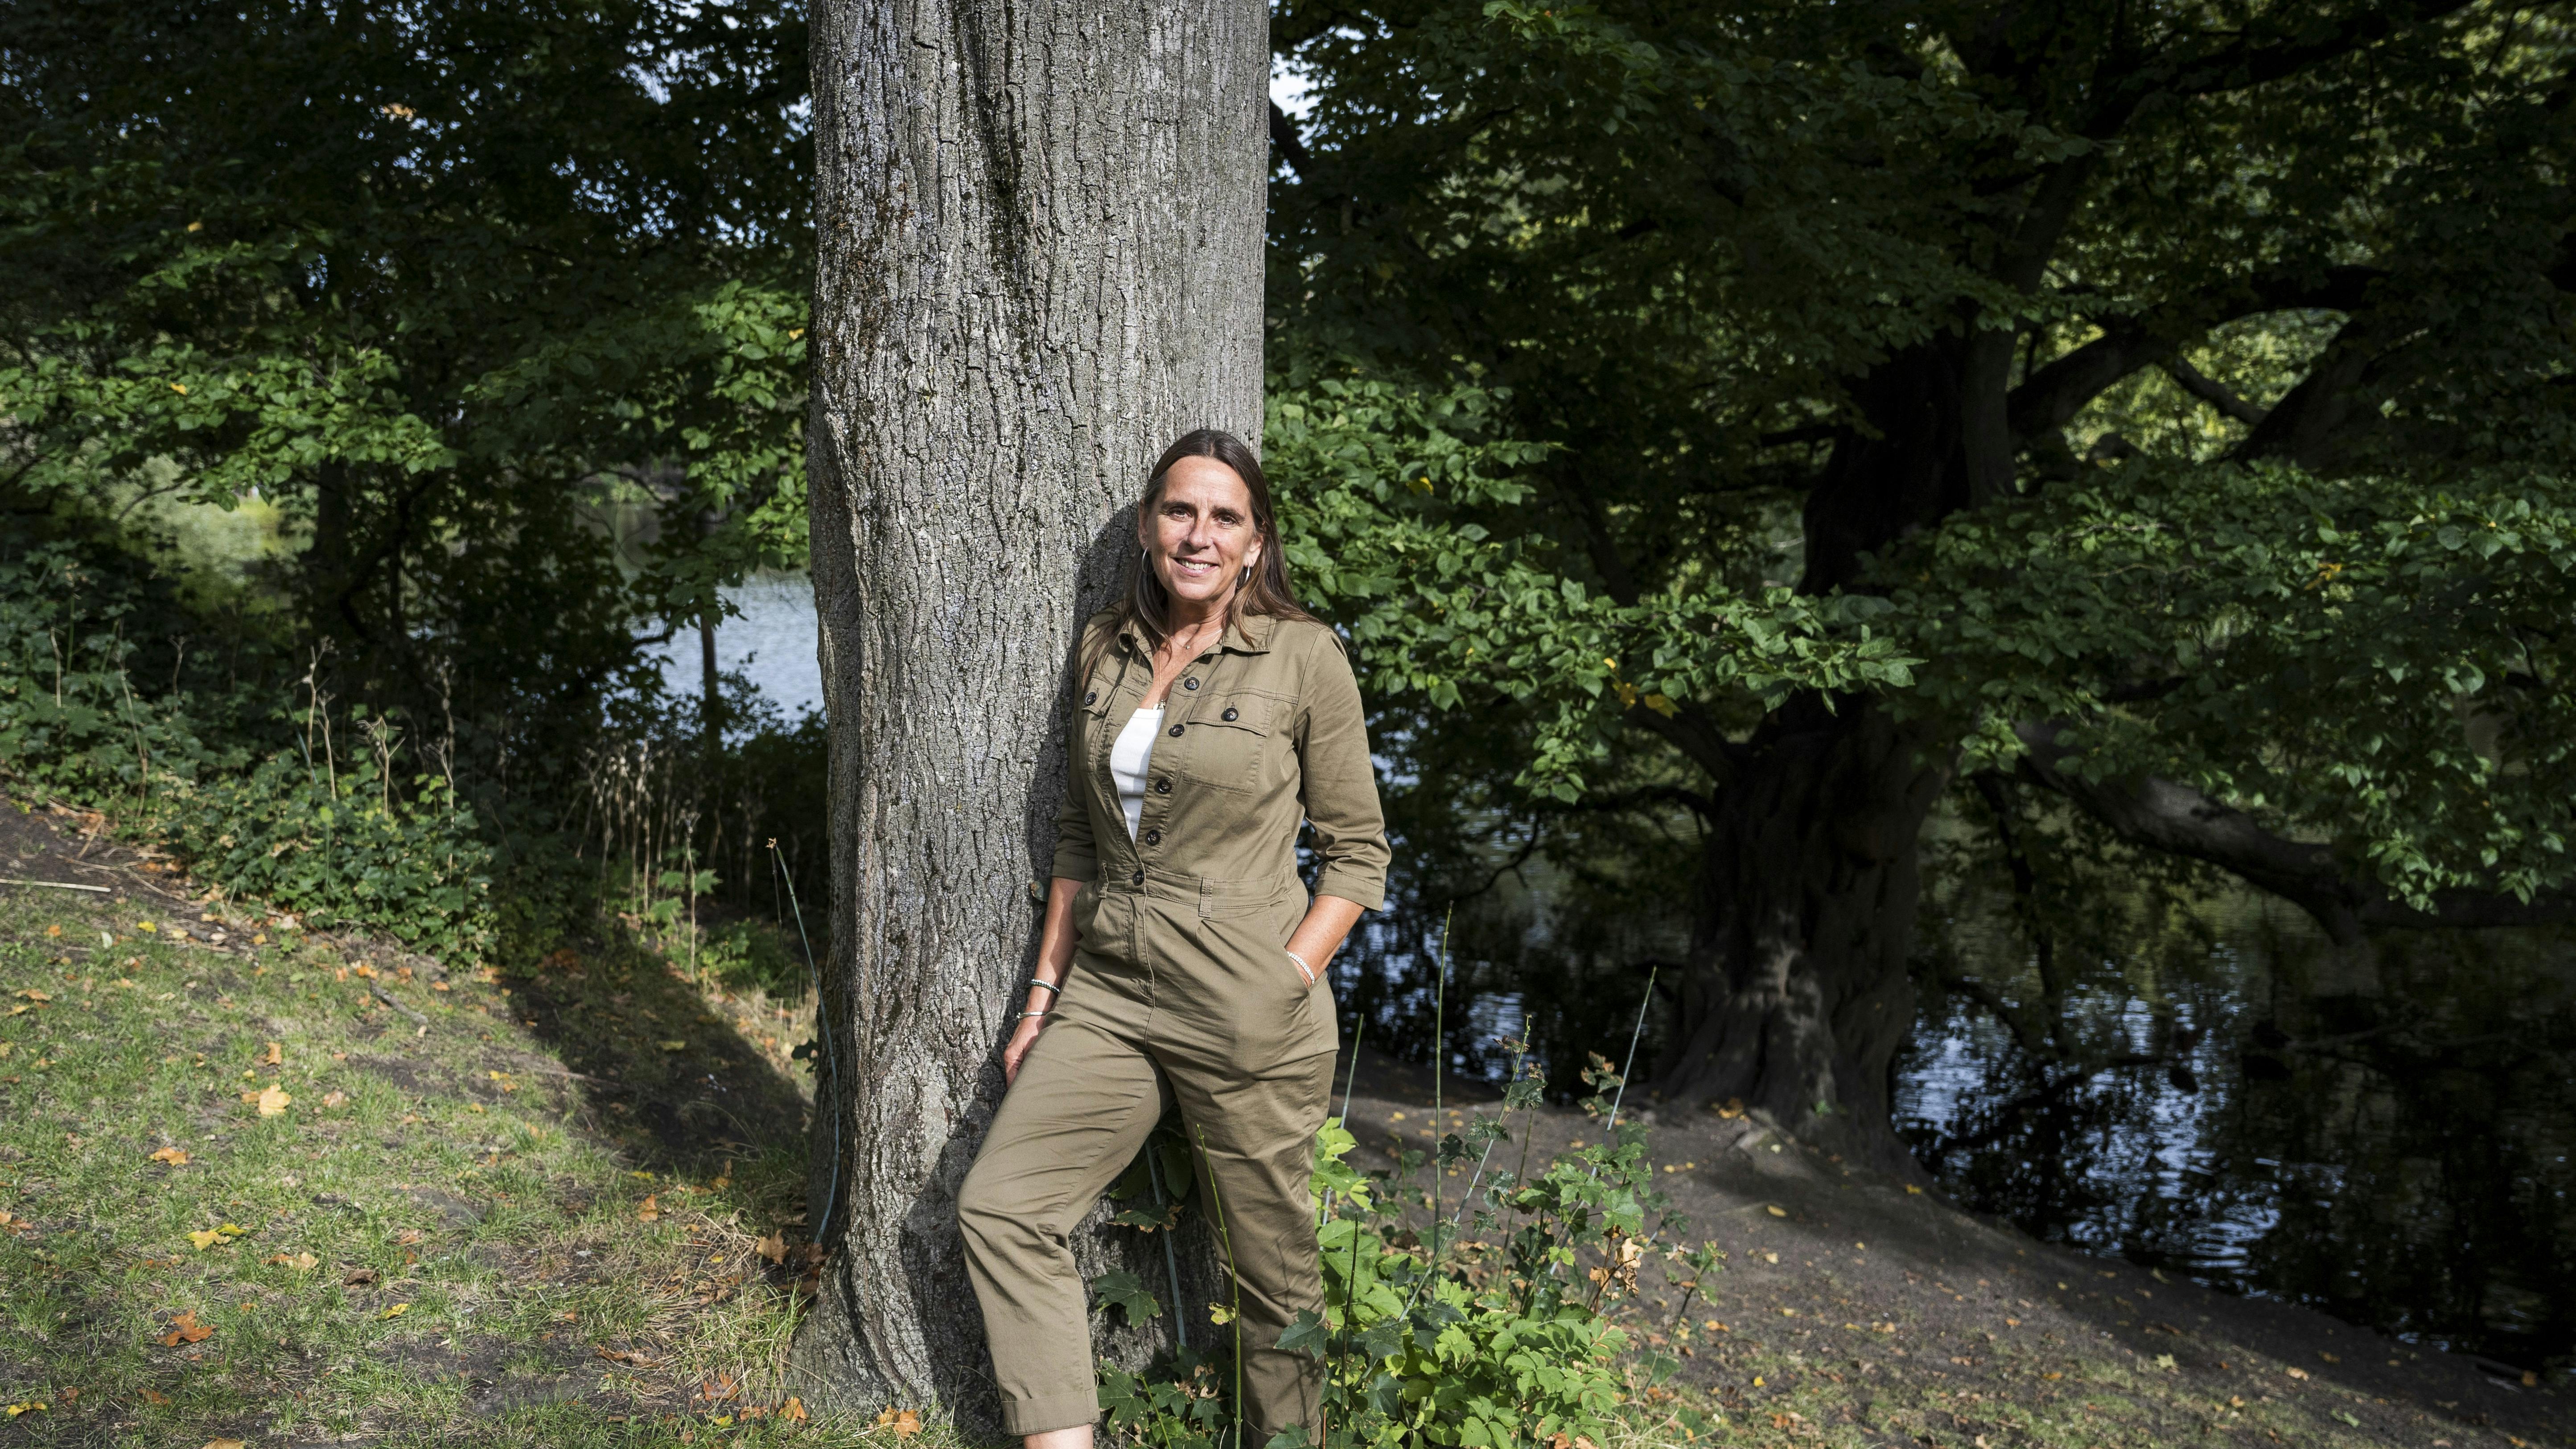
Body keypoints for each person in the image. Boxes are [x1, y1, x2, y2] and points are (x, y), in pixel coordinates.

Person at [956, 427, 1390, 1449]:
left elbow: (1359, 852)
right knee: (1002, 1206)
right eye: (1180, 510)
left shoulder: (1305, 655)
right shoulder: (1106, 646)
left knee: (1273, 1278)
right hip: (1109, 994)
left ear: (1255, 541)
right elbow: (1077, 833)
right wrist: (1040, 999)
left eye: (1224, 516)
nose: (1199, 533)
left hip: (1248, 1007)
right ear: (1151, 527)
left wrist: (1285, 975)